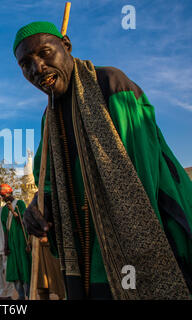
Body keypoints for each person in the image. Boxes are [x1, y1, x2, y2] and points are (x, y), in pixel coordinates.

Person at [14, 21, 192, 299]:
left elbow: (140, 175)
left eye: (45, 53)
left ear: (67, 46)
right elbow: (46, 181)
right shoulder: (49, 118)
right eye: (25, 64)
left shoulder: (110, 83)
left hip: (141, 248)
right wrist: (38, 210)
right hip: (84, 260)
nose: (37, 68)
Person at [0, 184, 31, 300]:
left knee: (24, 268)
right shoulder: (3, 210)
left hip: (21, 240)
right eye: (1, 196)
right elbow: (5, 229)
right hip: (11, 243)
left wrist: (13, 211)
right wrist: (6, 245)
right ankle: (21, 295)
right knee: (14, 270)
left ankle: (29, 294)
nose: (2, 198)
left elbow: (23, 221)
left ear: (9, 193)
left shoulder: (20, 204)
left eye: (3, 195)